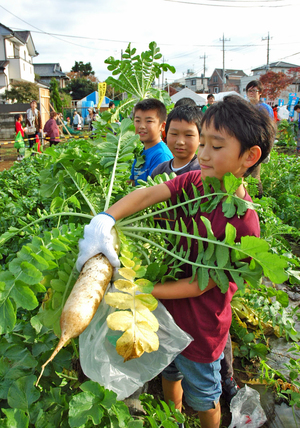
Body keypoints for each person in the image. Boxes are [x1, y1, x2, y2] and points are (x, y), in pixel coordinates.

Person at [76, 96, 276, 428]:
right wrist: (106, 218)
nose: (204, 154)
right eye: (205, 143)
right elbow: (147, 195)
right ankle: (174, 420)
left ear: (249, 157)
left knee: (204, 395)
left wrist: (145, 288)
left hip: (201, 330)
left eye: (217, 146)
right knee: (169, 370)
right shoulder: (196, 183)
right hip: (166, 319)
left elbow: (201, 284)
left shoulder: (244, 223)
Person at [129, 99, 173, 185]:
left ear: (162, 126)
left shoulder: (161, 155)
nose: (141, 126)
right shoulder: (142, 151)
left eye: (149, 121)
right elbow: (132, 182)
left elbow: (156, 193)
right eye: (138, 121)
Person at [246, 80, 274, 197]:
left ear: (260, 93)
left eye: (254, 90)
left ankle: (258, 200)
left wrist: (267, 149)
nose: (251, 93)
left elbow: (270, 130)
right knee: (245, 175)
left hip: (258, 146)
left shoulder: (264, 108)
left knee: (255, 176)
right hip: (246, 144)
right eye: (249, 91)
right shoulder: (245, 107)